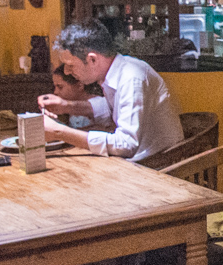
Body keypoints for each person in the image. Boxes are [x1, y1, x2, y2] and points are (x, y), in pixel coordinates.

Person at [38, 21, 183, 161]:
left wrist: (59, 132)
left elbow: (126, 144)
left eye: (70, 65)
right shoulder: (114, 73)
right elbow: (109, 110)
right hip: (136, 164)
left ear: (92, 60)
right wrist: (66, 106)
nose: (66, 72)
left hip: (158, 167)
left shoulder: (131, 77)